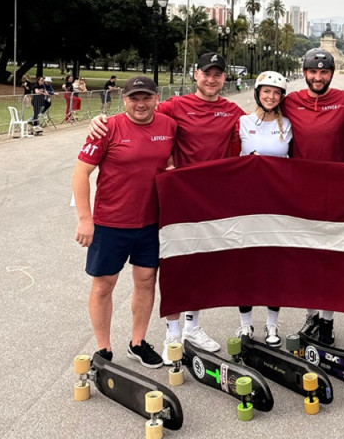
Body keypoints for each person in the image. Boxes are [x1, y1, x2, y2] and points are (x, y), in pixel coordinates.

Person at [89, 52, 244, 364]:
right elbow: (138, 112)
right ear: (196, 75)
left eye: (217, 74)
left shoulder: (232, 111)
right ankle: (171, 335)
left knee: (197, 267)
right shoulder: (174, 107)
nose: (211, 79)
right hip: (174, 204)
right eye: (206, 73)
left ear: (224, 78)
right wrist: (99, 120)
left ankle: (192, 327)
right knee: (172, 269)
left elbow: (262, 126)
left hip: (210, 203)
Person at [72, 75, 177, 367]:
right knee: (104, 284)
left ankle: (138, 342)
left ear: (157, 98)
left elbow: (168, 161)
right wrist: (85, 219)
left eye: (146, 98)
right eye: (134, 98)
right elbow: (81, 173)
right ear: (124, 100)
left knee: (146, 281)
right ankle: (103, 348)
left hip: (150, 222)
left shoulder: (169, 126)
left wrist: (170, 168)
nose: (140, 104)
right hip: (110, 222)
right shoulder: (108, 128)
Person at [282, 48, 344, 345]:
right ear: (304, 72)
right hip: (300, 192)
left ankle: (328, 322)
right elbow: (262, 120)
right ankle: (311, 316)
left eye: (323, 72)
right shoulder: (290, 101)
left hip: (337, 193)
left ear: (331, 73)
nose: (317, 77)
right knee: (307, 258)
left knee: (331, 259)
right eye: (312, 71)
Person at [234, 71, 292, 347]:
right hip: (247, 203)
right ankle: (245, 325)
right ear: (258, 93)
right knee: (245, 265)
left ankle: (272, 324)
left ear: (281, 97)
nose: (271, 97)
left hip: (277, 205)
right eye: (266, 91)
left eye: (276, 92)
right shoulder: (243, 122)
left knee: (274, 266)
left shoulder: (288, 125)